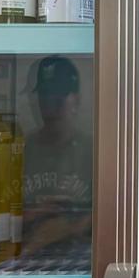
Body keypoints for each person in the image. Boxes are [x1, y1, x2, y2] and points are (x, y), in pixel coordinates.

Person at [21, 54, 93, 259]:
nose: (49, 107)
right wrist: (35, 214)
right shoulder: (19, 150)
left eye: (58, 98)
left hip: (82, 262)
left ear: (76, 100)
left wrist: (69, 226)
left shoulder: (94, 152)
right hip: (25, 259)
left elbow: (115, 215)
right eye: (44, 96)